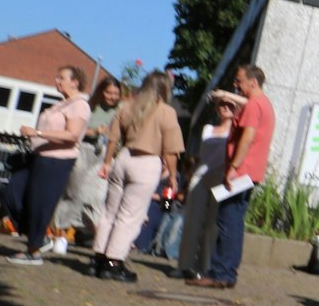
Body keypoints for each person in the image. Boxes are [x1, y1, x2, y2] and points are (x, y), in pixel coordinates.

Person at [91, 71, 183, 283]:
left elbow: (112, 138)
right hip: (146, 162)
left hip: (123, 158)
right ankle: (113, 263)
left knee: (110, 212)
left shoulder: (127, 107)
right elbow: (171, 149)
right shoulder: (166, 112)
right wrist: (172, 176)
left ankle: (98, 258)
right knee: (130, 216)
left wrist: (107, 162)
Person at [188, 65, 274, 290]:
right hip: (251, 172)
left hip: (241, 172)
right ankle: (226, 273)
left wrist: (233, 166)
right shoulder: (264, 104)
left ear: (252, 82)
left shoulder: (253, 105)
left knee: (228, 222)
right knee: (233, 222)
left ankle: (221, 273)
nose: (236, 85)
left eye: (239, 81)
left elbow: (247, 137)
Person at [2, 67, 92, 265]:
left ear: (75, 82)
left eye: (61, 78)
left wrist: (38, 133)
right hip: (38, 157)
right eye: (57, 77)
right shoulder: (60, 104)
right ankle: (38, 237)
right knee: (13, 191)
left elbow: (72, 135)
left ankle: (33, 251)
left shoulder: (79, 105)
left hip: (57, 161)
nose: (57, 80)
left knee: (40, 203)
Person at [54, 76, 126, 238]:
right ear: (101, 92)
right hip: (84, 153)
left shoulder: (121, 110)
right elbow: (73, 129)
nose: (112, 97)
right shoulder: (88, 107)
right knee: (74, 193)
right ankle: (61, 232)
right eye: (109, 93)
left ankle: (99, 239)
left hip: (105, 157)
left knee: (97, 197)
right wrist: (93, 132)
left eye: (116, 93)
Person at [175, 98, 236, 279]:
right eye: (222, 105)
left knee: (212, 226)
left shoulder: (235, 134)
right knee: (192, 222)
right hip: (200, 176)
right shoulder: (208, 129)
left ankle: (204, 267)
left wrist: (226, 95)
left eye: (230, 105)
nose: (225, 108)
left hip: (221, 177)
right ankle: (184, 265)